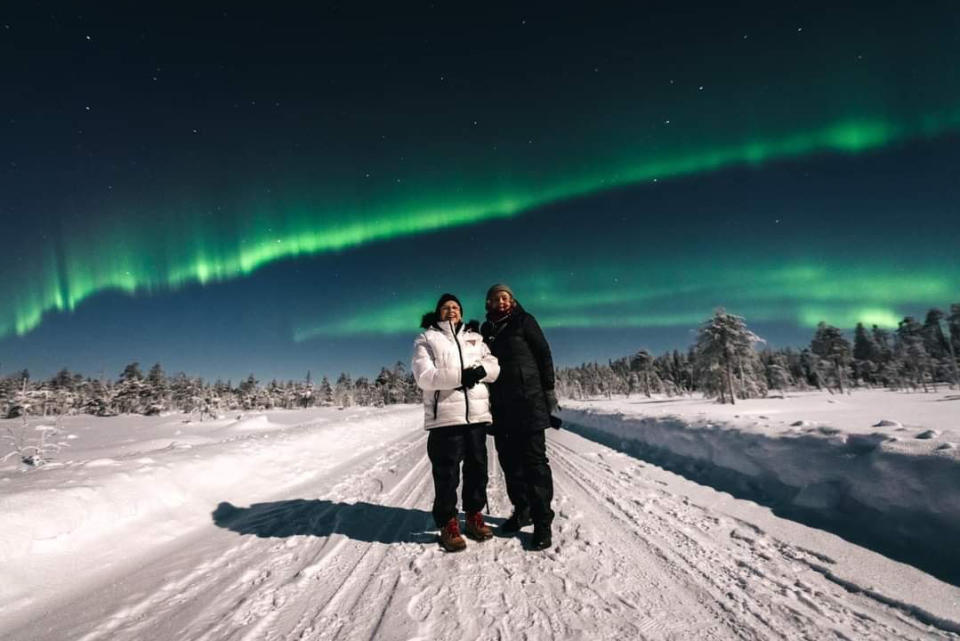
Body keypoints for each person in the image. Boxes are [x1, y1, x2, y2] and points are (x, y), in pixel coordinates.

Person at [412, 293, 501, 552]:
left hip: (476, 416)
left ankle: (474, 515)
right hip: (445, 419)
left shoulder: (475, 337)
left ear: (461, 312)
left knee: (477, 469)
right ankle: (448, 522)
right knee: (447, 474)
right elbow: (425, 377)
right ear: (438, 312)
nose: (451, 311)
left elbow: (494, 366)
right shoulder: (427, 338)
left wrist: (481, 371)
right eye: (446, 307)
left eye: (455, 307)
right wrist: (463, 376)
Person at [481, 283, 558, 551]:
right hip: (501, 407)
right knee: (509, 462)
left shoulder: (525, 321)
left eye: (505, 297)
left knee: (534, 463)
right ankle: (522, 510)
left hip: (529, 401)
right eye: (495, 298)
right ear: (488, 303)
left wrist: (548, 391)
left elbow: (543, 354)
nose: (501, 302)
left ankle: (542, 522)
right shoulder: (486, 330)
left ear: (512, 300)